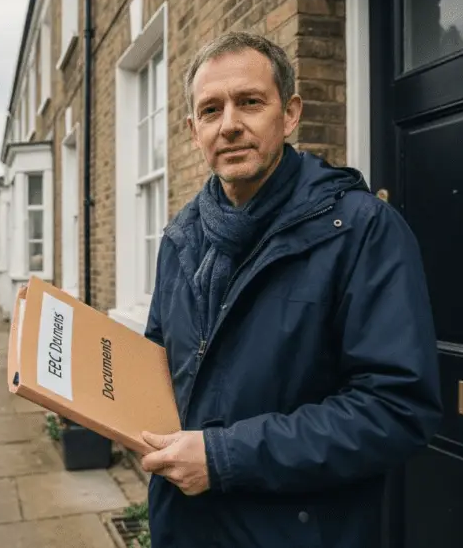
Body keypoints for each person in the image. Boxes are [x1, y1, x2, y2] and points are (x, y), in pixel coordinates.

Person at [137, 31, 443, 547]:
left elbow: (396, 409)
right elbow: (157, 361)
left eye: (250, 102)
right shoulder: (180, 238)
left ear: (291, 113)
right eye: (211, 110)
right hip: (185, 529)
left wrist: (223, 457)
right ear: (194, 132)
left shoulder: (364, 230)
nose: (230, 124)